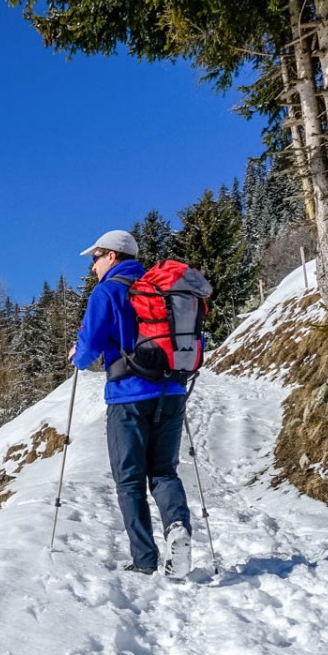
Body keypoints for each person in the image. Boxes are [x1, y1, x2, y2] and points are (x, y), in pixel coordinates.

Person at [69, 229, 193, 577]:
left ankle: (144, 560)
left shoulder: (107, 291)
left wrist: (77, 355)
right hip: (171, 393)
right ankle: (177, 528)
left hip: (129, 397)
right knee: (164, 471)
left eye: (95, 258)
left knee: (129, 480)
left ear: (111, 256)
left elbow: (89, 349)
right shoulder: (163, 287)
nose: (92, 266)